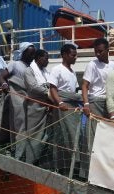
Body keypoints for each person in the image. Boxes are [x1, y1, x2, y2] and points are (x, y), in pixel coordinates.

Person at [48, 43, 82, 175]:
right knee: (64, 135)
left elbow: (75, 90)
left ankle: (74, 164)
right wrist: (60, 102)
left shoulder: (72, 72)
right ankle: (63, 166)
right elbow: (53, 89)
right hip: (63, 106)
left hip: (73, 106)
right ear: (64, 55)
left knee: (74, 135)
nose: (75, 58)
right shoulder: (57, 69)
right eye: (73, 55)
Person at [0, 42, 36, 159]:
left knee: (28, 126)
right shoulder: (14, 64)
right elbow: (1, 77)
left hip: (28, 99)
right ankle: (18, 153)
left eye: (33, 54)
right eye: (30, 54)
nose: (32, 56)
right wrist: (4, 84)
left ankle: (24, 152)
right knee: (20, 125)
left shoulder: (31, 68)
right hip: (17, 98)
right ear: (23, 53)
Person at [23, 49, 52, 165]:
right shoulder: (29, 71)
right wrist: (48, 92)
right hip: (35, 108)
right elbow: (33, 87)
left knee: (45, 136)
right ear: (38, 58)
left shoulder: (45, 72)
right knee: (34, 135)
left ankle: (41, 161)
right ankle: (30, 161)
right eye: (46, 58)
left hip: (46, 107)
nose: (48, 61)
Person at [82, 38, 114, 117]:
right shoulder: (92, 65)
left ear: (107, 50)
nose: (97, 54)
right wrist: (86, 104)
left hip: (109, 102)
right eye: (96, 51)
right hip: (95, 101)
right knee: (95, 127)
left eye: (100, 51)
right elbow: (84, 85)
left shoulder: (113, 65)